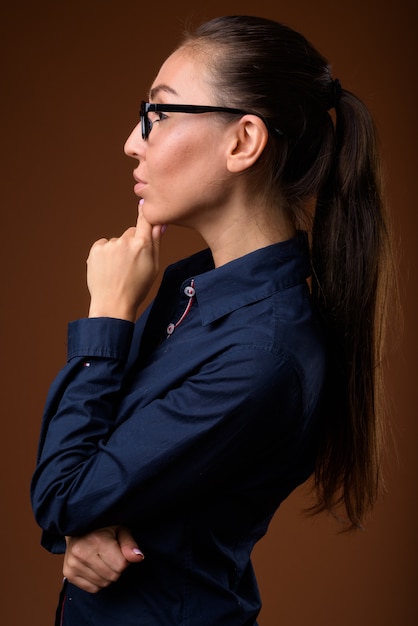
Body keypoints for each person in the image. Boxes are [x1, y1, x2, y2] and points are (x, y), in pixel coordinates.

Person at [31, 14, 395, 626]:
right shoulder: (191, 289)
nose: (132, 140)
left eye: (160, 114)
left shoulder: (263, 353)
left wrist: (108, 316)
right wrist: (79, 528)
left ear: (243, 141)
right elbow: (90, 487)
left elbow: (65, 492)